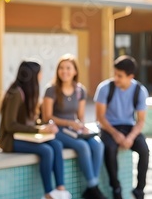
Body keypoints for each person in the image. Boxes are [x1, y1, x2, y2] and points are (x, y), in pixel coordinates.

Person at [0, 60, 72, 199]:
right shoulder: (16, 93)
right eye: (39, 73)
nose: (41, 76)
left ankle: (60, 189)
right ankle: (48, 194)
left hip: (24, 136)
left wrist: (45, 126)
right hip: (9, 140)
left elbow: (31, 120)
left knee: (56, 144)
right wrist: (38, 130)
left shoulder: (29, 92)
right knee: (46, 150)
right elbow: (10, 125)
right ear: (33, 76)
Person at [42, 54, 107, 199]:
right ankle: (93, 188)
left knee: (97, 145)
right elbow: (47, 116)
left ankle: (92, 186)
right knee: (82, 146)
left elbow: (81, 117)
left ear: (75, 71)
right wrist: (69, 123)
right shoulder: (51, 90)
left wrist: (81, 126)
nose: (64, 71)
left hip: (74, 129)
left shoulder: (80, 90)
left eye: (68, 68)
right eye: (61, 68)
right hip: (57, 129)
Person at [93, 55, 150, 199]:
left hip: (129, 127)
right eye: (115, 74)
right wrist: (115, 134)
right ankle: (116, 188)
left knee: (144, 150)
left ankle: (139, 190)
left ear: (131, 76)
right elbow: (100, 117)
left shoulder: (140, 91)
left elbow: (141, 121)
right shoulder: (105, 88)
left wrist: (130, 138)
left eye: (120, 76)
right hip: (108, 127)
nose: (116, 78)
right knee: (110, 148)